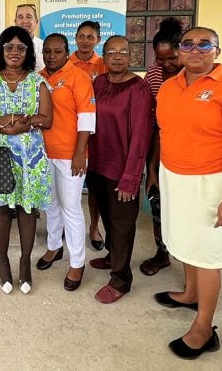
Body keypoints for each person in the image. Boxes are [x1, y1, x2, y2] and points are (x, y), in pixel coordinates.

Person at [155, 27, 222, 359]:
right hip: (174, 176)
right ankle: (190, 294)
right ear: (179, 50)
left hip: (211, 183)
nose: (195, 50)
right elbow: (166, 131)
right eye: (188, 44)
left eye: (204, 45)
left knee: (207, 255)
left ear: (218, 50)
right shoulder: (170, 87)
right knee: (184, 243)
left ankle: (204, 329)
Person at [0, 26, 52, 294]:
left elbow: (47, 119)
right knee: (2, 209)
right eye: (9, 47)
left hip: (31, 156)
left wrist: (14, 123)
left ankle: (25, 261)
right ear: (1, 51)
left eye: (21, 47)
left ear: (28, 52)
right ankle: (4, 261)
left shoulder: (37, 81)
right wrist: (14, 121)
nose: (15, 52)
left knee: (27, 210)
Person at [87, 35, 152, 304]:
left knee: (123, 224)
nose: (117, 57)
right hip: (98, 163)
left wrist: (131, 177)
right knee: (107, 216)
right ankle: (113, 257)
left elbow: (141, 135)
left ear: (130, 56)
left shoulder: (139, 88)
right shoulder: (99, 82)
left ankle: (121, 278)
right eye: (111, 52)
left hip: (123, 168)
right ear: (103, 55)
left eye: (123, 53)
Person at [36, 33, 95, 291]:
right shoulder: (38, 77)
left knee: (71, 208)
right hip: (43, 154)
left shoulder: (78, 77)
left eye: (57, 52)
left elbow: (87, 117)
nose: (51, 56)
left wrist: (80, 152)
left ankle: (77, 262)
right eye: (47, 51)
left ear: (66, 52)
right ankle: (53, 248)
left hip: (71, 155)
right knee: (50, 204)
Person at [140, 17, 183, 276]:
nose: (166, 65)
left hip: (187, 148)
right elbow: (151, 118)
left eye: (172, 59)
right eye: (160, 59)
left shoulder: (194, 74)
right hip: (158, 144)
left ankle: (189, 254)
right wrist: (152, 168)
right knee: (157, 200)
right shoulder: (154, 75)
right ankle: (162, 252)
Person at [69, 20, 107, 251]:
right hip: (68, 132)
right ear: (75, 38)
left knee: (95, 185)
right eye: (81, 36)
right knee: (66, 187)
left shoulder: (103, 65)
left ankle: (94, 227)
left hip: (97, 132)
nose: (85, 41)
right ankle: (65, 226)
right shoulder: (66, 63)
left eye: (90, 37)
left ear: (98, 40)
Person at [14, 3, 44, 71]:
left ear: (36, 22)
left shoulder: (44, 47)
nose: (24, 21)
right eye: (20, 17)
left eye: (29, 17)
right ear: (15, 22)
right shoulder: (6, 48)